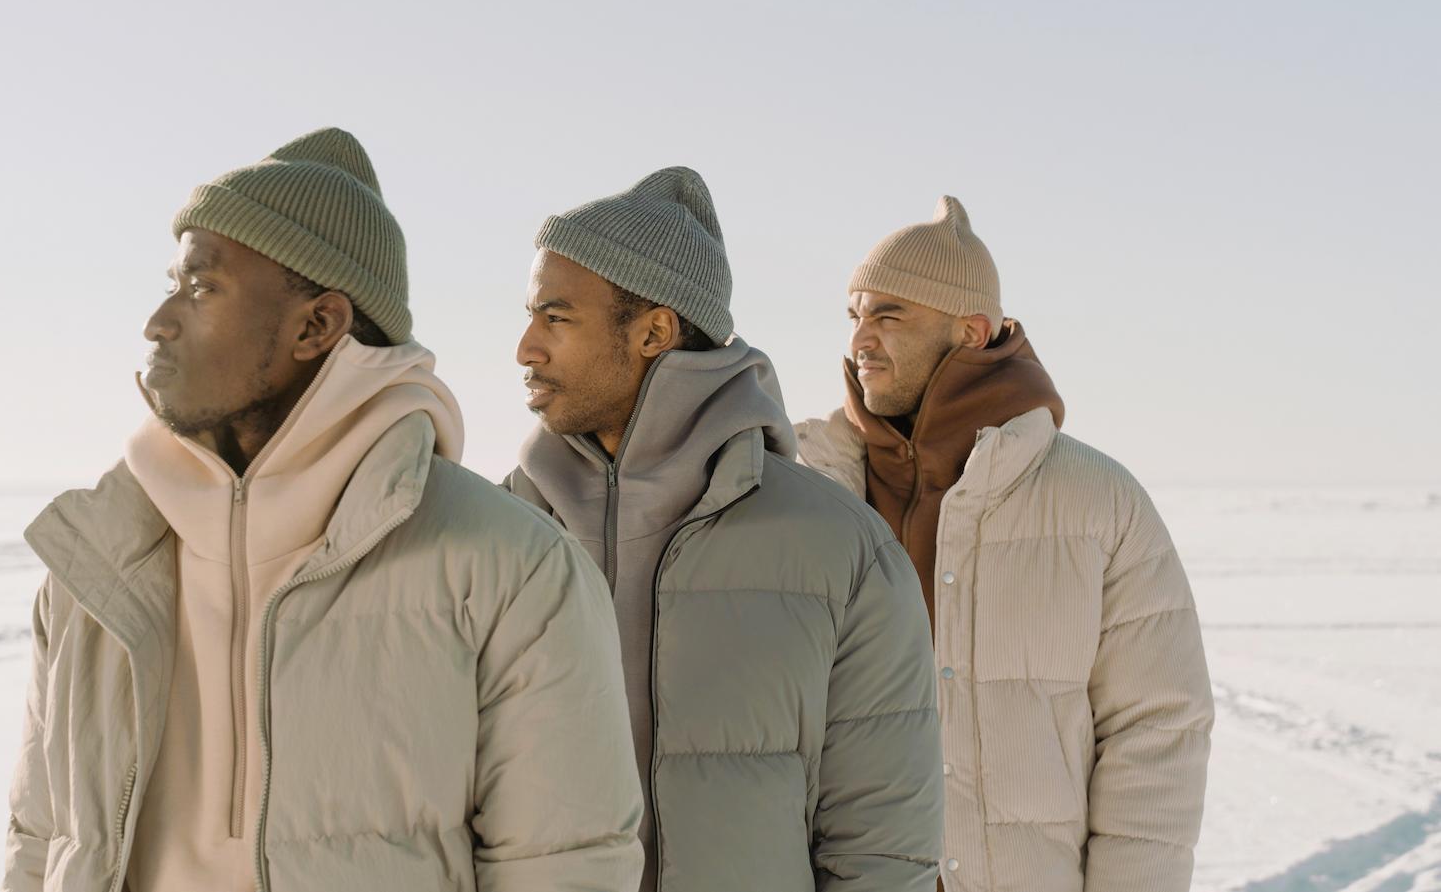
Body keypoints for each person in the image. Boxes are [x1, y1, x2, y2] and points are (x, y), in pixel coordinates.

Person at [2, 128, 643, 892]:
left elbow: (565, 869)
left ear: (318, 325)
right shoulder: (92, 564)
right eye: (171, 282)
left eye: (202, 287)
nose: (159, 321)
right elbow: (39, 841)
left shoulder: (513, 569)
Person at [504, 166, 945, 892]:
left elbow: (884, 853)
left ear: (653, 330)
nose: (526, 346)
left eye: (555, 317)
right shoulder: (500, 537)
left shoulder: (843, 552)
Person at [795, 196, 1215, 892]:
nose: (860, 340)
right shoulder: (808, 490)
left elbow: (1157, 728)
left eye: (889, 315)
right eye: (855, 316)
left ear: (971, 329)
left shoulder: (1097, 499)